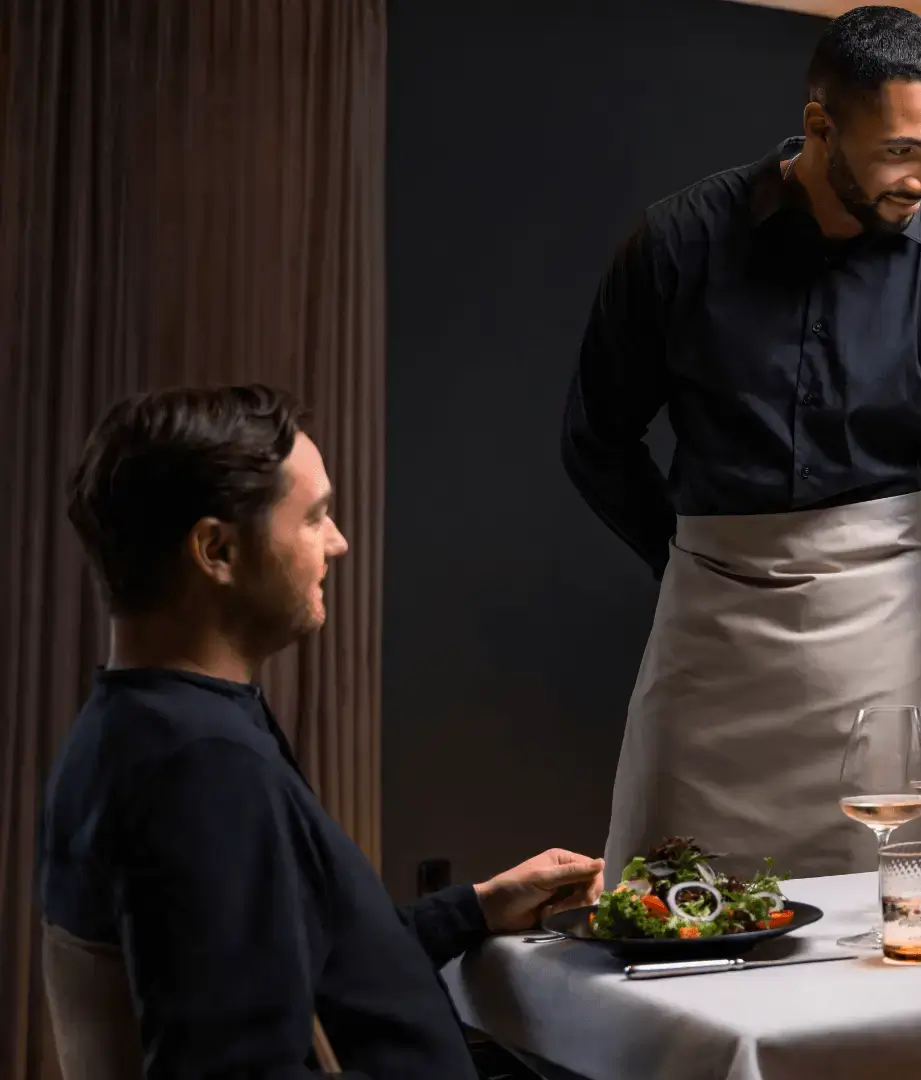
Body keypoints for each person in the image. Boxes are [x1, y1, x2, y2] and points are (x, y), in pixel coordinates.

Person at [562, 6, 921, 878]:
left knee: (889, 903)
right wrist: (684, 557)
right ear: (819, 126)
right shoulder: (676, 246)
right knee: (669, 897)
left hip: (880, 631)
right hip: (709, 631)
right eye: (901, 152)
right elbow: (596, 440)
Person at [39, 386, 604, 1078]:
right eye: (314, 518)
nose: (337, 544)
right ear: (216, 549)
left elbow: (306, 961)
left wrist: (475, 909)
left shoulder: (137, 727)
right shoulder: (204, 771)